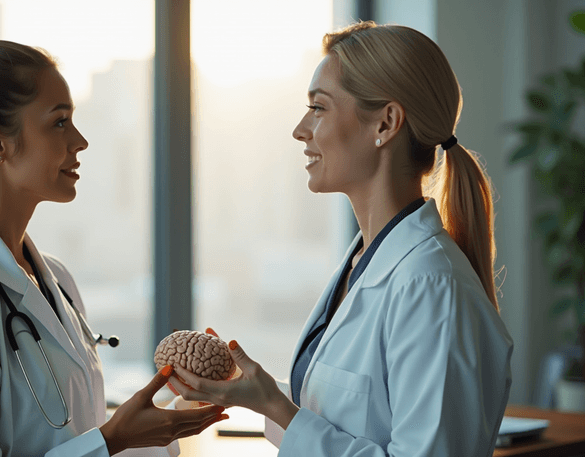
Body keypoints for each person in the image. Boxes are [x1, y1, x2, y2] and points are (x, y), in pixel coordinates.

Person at [0, 18, 227, 457]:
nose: (80, 141)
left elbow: (76, 439)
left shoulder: (56, 280)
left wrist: (166, 415)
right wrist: (114, 438)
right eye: (59, 122)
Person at [169, 21, 514, 456]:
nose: (300, 129)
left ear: (386, 123)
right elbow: (348, 416)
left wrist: (277, 406)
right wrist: (253, 393)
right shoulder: (363, 262)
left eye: (318, 107)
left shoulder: (429, 285)